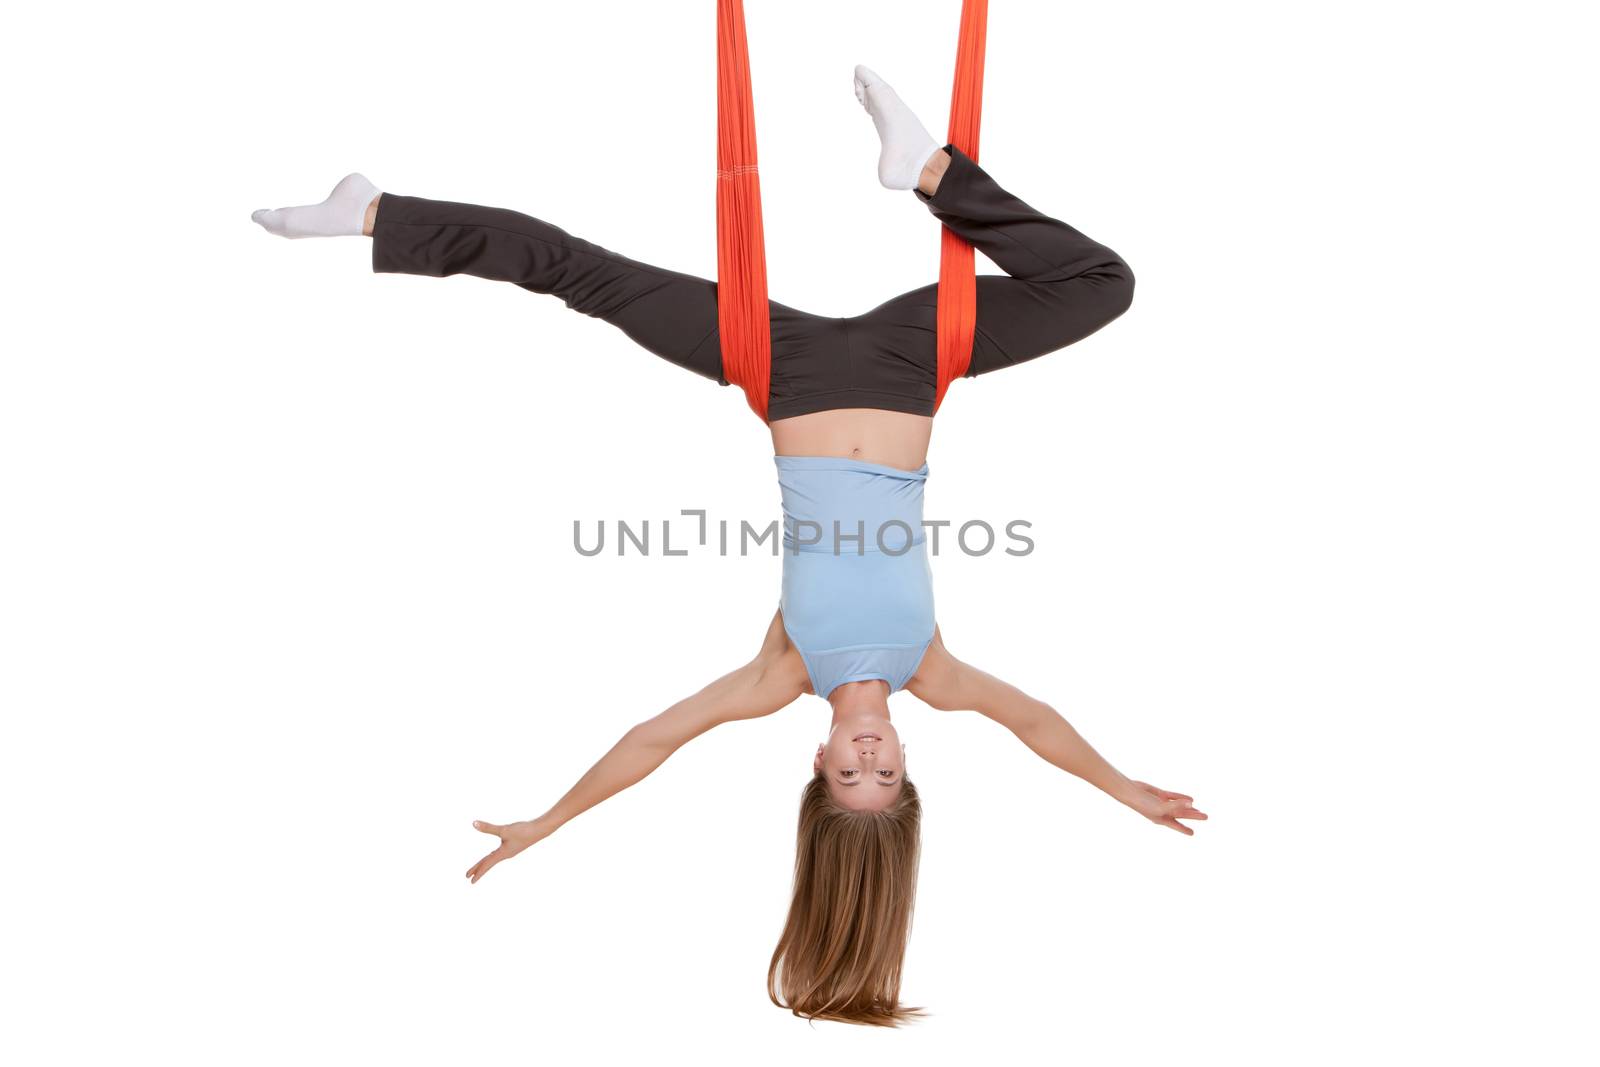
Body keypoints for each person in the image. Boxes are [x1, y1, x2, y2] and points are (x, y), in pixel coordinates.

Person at [252, 65, 1206, 1026]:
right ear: (909, 762)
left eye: (848, 773)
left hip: (779, 365)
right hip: (914, 359)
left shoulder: (783, 670)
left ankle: (377, 214)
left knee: (584, 274)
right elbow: (1040, 724)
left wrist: (550, 820)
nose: (869, 754)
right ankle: (930, 173)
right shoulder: (933, 670)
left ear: (820, 760)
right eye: (887, 774)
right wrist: (1127, 790)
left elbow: (653, 739)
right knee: (1105, 285)